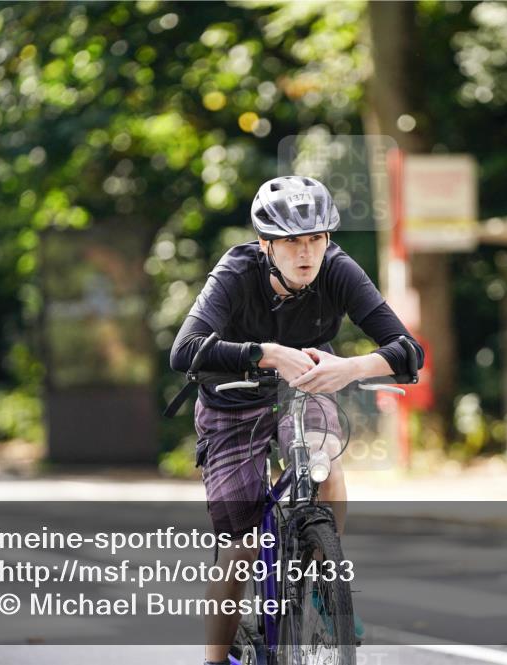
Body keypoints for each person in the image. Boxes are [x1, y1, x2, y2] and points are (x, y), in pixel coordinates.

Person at [169, 175, 424, 665]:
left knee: (326, 464)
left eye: (315, 239)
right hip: (231, 399)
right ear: (266, 244)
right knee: (240, 546)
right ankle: (213, 659)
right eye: (291, 242)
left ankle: (325, 583)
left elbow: (407, 349)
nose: (306, 253)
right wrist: (266, 354)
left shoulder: (337, 270)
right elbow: (184, 351)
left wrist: (350, 368)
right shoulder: (236, 272)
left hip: (305, 391)